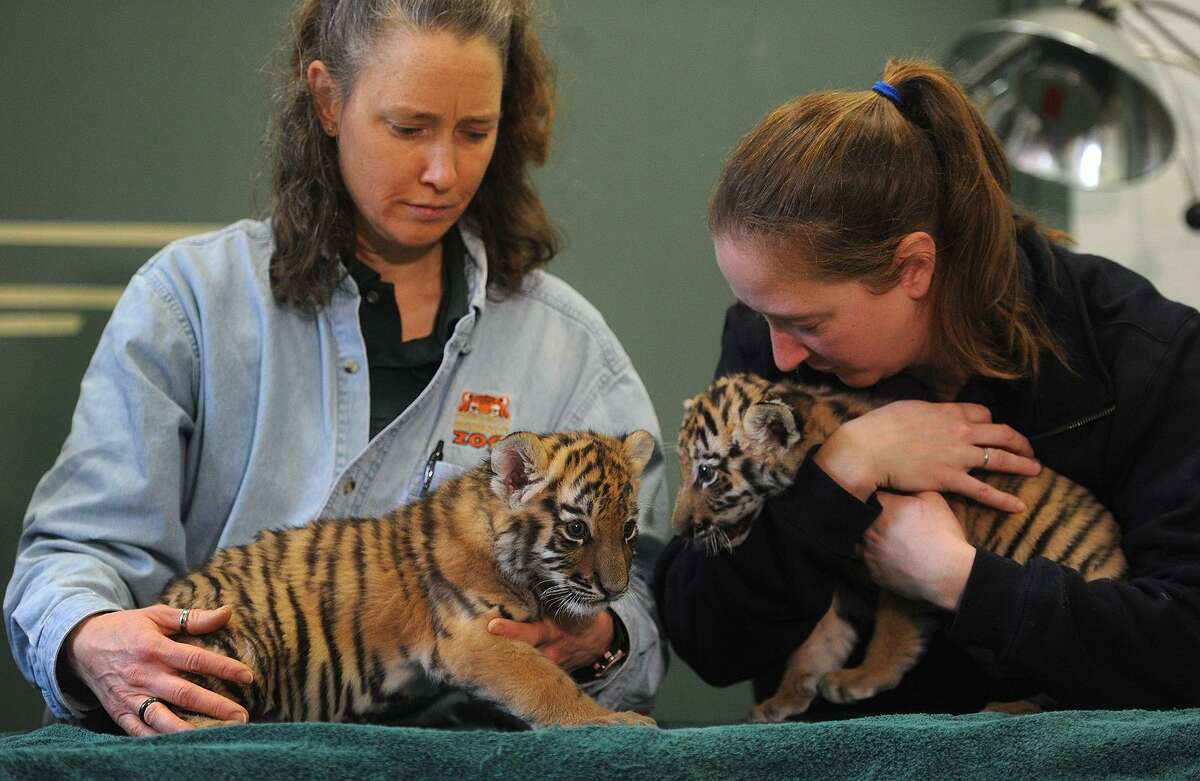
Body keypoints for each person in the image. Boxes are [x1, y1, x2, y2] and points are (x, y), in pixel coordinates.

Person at [5, 0, 668, 736]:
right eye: (408, 127)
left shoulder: (571, 348)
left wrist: (602, 639)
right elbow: (75, 553)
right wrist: (90, 635)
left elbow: (642, 603)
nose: (444, 170)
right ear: (327, 99)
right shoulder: (188, 303)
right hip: (213, 741)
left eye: (475, 130)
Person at [656, 58, 1200, 716]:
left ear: (914, 266)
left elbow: (1183, 640)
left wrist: (958, 577)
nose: (777, 350)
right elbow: (705, 632)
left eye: (808, 321)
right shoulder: (774, 344)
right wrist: (843, 466)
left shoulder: (1142, 352)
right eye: (761, 316)